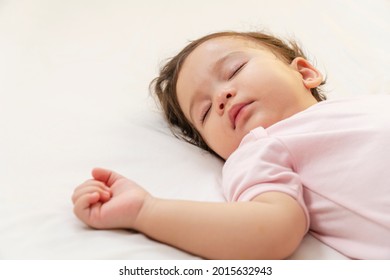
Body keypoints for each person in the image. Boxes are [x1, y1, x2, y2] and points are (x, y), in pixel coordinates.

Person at [72, 31, 390, 259]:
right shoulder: (259, 149)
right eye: (206, 111)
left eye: (234, 70)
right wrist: (146, 211)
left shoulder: (368, 104)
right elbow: (273, 231)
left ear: (305, 73)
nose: (221, 97)